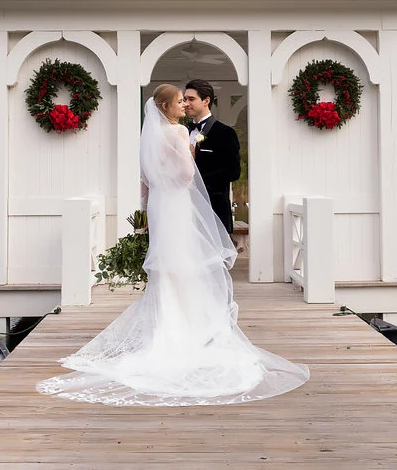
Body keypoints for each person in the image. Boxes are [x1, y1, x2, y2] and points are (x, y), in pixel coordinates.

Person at [36, 84, 308, 406]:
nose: (184, 105)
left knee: (169, 264)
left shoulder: (150, 136)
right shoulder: (179, 134)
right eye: (180, 101)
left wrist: (146, 214)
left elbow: (145, 182)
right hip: (178, 206)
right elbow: (184, 178)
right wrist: (190, 156)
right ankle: (188, 326)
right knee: (185, 262)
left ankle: (168, 322)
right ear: (167, 106)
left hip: (160, 208)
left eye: (187, 100)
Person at [184, 79, 240, 237]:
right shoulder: (181, 131)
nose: (186, 103)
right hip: (184, 210)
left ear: (206, 101)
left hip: (214, 210)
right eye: (185, 99)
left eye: (191, 99)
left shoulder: (225, 133)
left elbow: (233, 172)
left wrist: (196, 181)